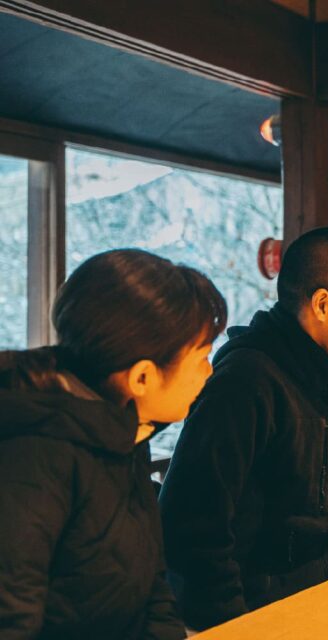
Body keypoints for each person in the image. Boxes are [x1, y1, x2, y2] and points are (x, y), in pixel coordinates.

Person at [159, 227, 328, 631]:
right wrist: (236, 626)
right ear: (323, 304)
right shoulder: (245, 381)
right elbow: (195, 524)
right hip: (248, 617)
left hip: (319, 612)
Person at [0, 249, 227, 639]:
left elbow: (151, 585)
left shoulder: (125, 427)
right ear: (142, 378)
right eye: (202, 358)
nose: (208, 373)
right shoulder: (33, 457)